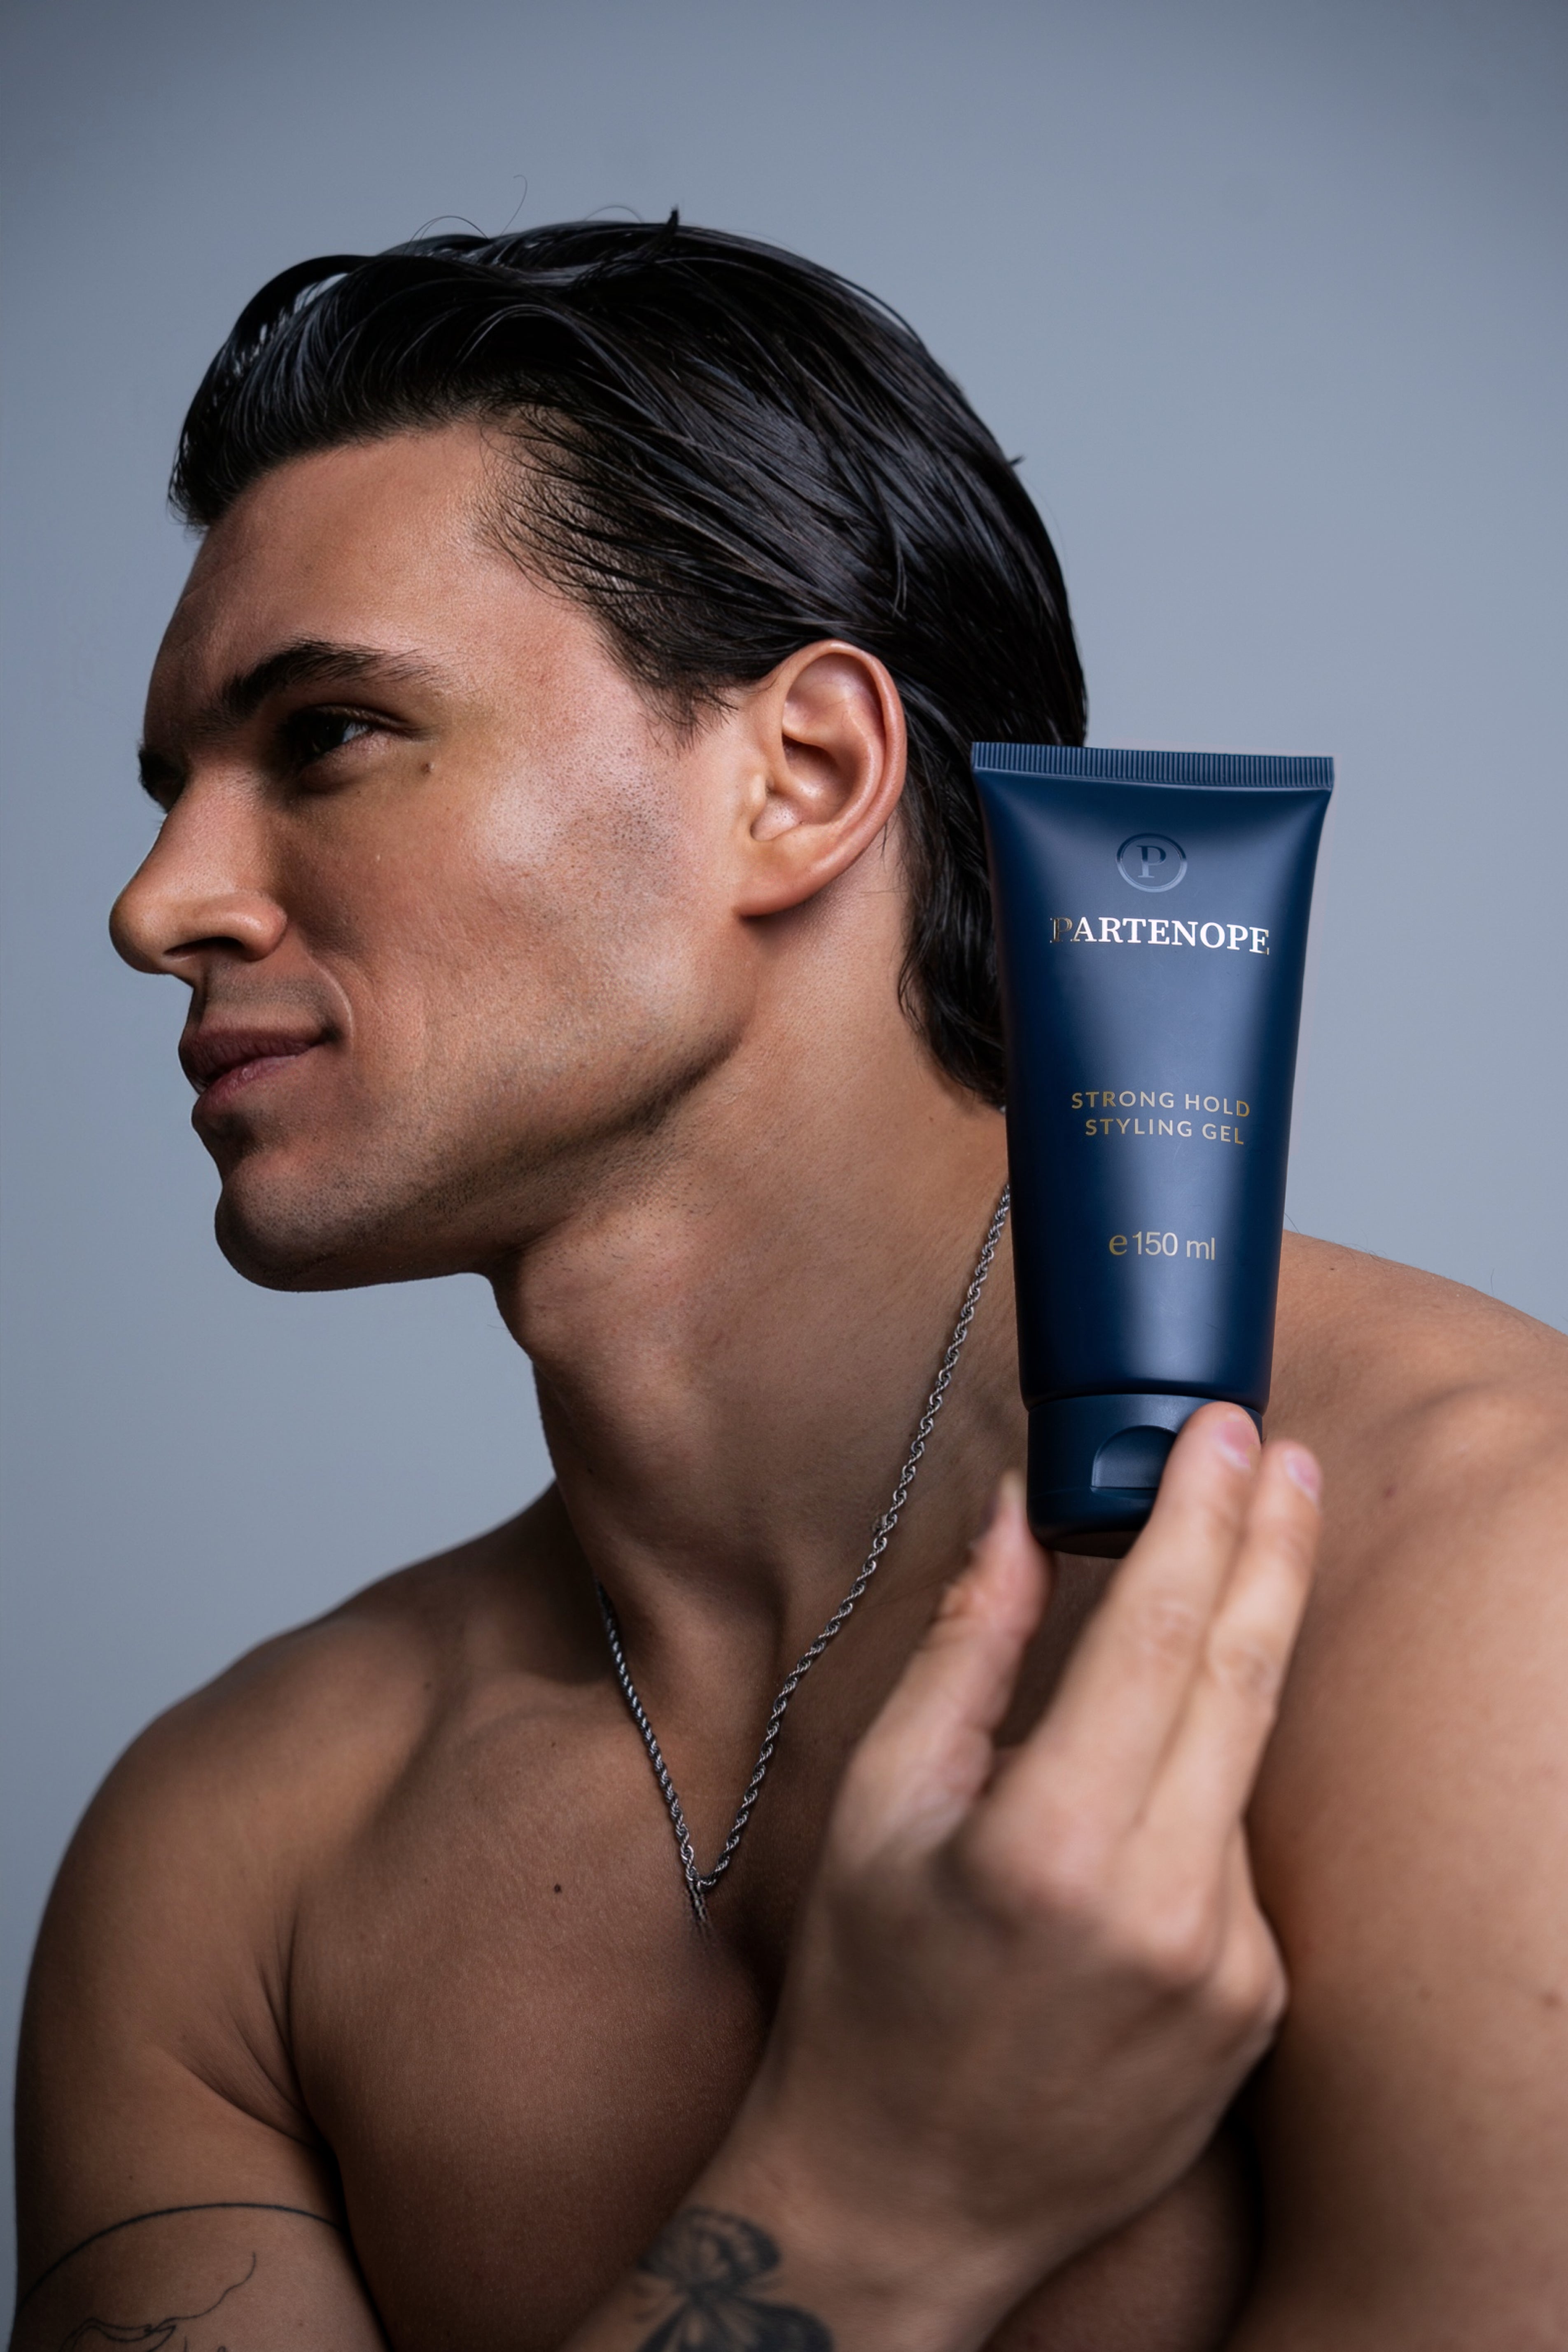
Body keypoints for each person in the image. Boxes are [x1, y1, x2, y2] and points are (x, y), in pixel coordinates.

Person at [11, 219, 1568, 2352]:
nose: (158, 902)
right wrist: (870, 2198)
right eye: (171, 790)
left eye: (333, 734)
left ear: (802, 779)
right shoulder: (227, 1858)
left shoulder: (1488, 1580)